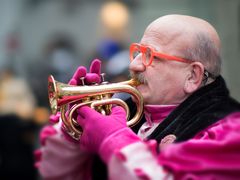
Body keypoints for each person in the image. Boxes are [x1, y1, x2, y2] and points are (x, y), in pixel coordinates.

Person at [35, 14, 240, 180]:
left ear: (192, 76)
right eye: (138, 52)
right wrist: (72, 131)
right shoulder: (129, 109)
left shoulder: (229, 132)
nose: (134, 65)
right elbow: (54, 173)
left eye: (151, 56)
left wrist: (114, 139)